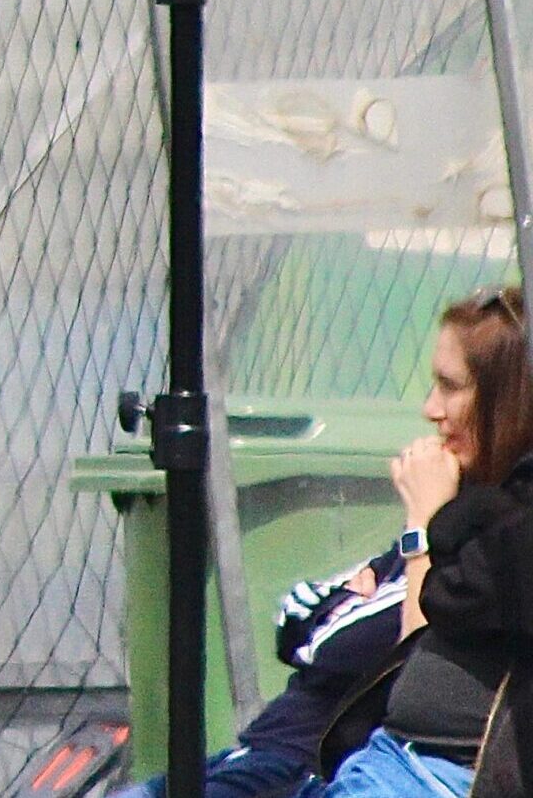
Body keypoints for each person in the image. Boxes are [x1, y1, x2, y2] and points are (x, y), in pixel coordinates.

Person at [311, 286, 533, 795]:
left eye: (451, 387)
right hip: (381, 757)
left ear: (509, 399)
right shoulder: (467, 497)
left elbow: (416, 638)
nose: (431, 409)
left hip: (431, 777)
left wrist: (423, 525)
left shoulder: (509, 536)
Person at [108, 548, 405, 798]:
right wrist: (344, 608)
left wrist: (340, 606)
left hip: (296, 767)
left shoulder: (423, 569)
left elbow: (333, 647)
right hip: (248, 754)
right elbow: (294, 616)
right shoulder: (399, 557)